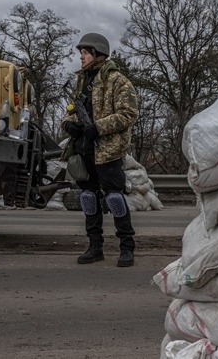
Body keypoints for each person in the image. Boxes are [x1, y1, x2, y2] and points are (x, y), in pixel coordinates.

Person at [61, 32, 139, 267]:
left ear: (97, 53)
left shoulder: (118, 80)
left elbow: (128, 114)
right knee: (88, 198)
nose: (81, 57)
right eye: (81, 54)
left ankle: (127, 248)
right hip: (84, 149)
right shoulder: (81, 81)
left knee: (115, 198)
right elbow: (71, 109)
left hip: (108, 150)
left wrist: (98, 127)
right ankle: (95, 247)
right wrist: (68, 125)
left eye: (85, 53)